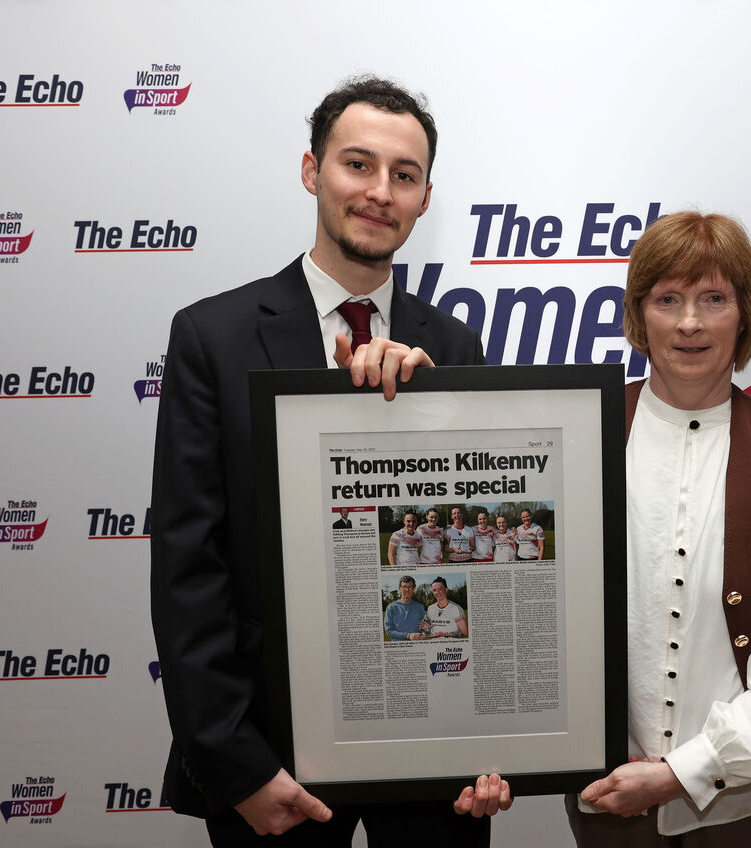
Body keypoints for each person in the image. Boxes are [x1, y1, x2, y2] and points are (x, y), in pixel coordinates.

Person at [151, 76, 509, 848]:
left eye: (403, 176)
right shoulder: (213, 337)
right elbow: (189, 570)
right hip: (269, 763)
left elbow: (477, 562)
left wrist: (497, 740)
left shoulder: (452, 348)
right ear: (313, 171)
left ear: (424, 198)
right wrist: (237, 766)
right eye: (358, 165)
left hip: (434, 754)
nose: (380, 192)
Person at [569, 212, 751, 846]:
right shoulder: (584, 431)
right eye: (668, 299)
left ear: (743, 315)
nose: (690, 322)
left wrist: (680, 772)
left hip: (749, 814)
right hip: (610, 800)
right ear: (640, 317)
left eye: (713, 299)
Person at [384, 575, 428, 641]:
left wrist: (424, 633)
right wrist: (408, 635)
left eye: (410, 587)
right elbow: (388, 631)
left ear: (414, 589)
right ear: (399, 588)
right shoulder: (391, 607)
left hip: (416, 647)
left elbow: (424, 628)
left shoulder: (419, 607)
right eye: (404, 586)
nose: (407, 590)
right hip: (398, 648)